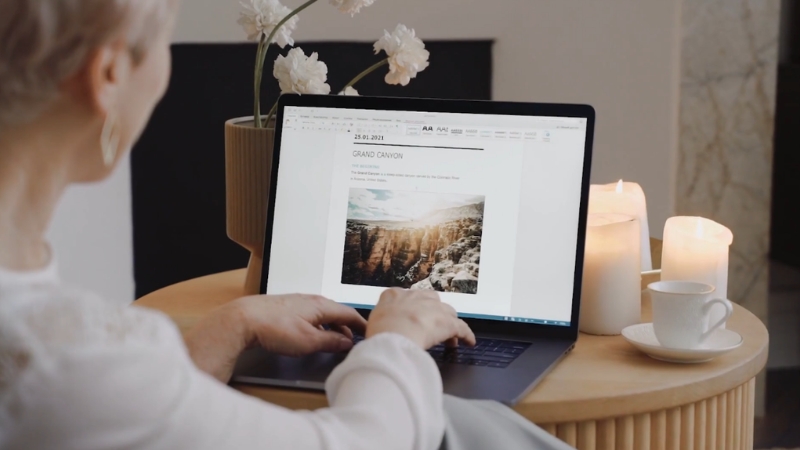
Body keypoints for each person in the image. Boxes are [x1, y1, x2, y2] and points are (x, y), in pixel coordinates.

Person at [0, 1, 574, 449]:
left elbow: (124, 422)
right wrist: (396, 341)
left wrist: (231, 326)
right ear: (107, 74)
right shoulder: (60, 363)